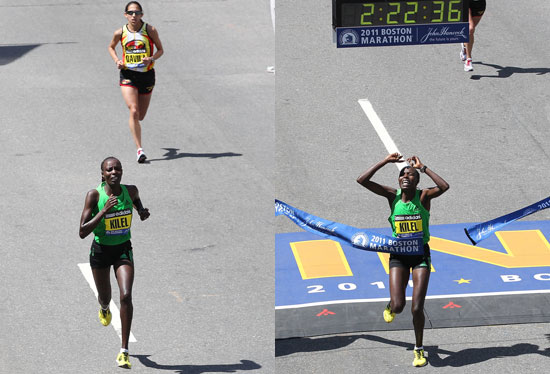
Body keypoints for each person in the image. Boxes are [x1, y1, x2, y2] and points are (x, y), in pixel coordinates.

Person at [357, 153, 449, 367]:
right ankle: (391, 306)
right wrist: (384, 162)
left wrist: (423, 167)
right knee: (399, 306)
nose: (406, 176)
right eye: (403, 174)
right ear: (398, 180)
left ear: (417, 181)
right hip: (398, 256)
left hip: (420, 257)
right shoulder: (392, 196)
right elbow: (362, 181)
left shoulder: (424, 196)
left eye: (411, 174)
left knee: (417, 307)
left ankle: (419, 349)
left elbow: (444, 187)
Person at [79, 157, 150, 368]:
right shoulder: (94, 195)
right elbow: (82, 232)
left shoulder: (131, 191)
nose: (113, 172)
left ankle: (124, 351)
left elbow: (136, 201)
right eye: (109, 170)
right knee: (105, 297)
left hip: (122, 249)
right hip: (100, 251)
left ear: (121, 172)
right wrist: (103, 211)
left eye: (117, 169)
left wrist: (141, 211)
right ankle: (103, 308)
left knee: (126, 295)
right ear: (103, 174)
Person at [108, 1, 164, 163]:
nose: (134, 16)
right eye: (131, 13)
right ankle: (140, 150)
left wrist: (151, 58)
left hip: (146, 75)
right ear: (125, 15)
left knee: (141, 116)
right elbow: (111, 47)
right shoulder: (120, 32)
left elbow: (161, 50)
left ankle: (136, 127)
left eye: (137, 13)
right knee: (133, 110)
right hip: (128, 74)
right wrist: (117, 60)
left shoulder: (150, 30)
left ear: (142, 15)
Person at [460, 0, 486, 72]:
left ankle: (465, 45)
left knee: (470, 31)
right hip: (465, 2)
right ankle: (468, 61)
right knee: (470, 29)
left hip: (479, 4)